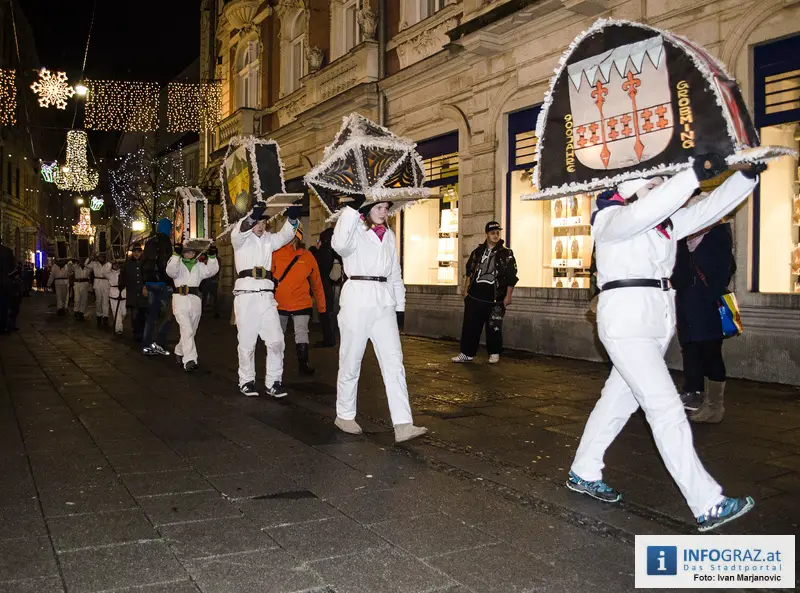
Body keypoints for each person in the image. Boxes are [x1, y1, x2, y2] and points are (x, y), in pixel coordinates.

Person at [566, 155, 763, 532]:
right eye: (651, 181)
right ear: (629, 186)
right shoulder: (611, 217)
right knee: (666, 408)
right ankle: (708, 503)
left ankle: (583, 470)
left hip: (653, 319)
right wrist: (692, 174)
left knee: (616, 402)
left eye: (661, 180)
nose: (660, 184)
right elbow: (649, 211)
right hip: (626, 320)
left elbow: (706, 209)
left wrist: (744, 178)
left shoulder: (662, 222)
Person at [331, 198, 427, 443]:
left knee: (394, 361)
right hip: (357, 298)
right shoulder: (354, 230)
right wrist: (352, 209)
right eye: (379, 208)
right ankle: (344, 414)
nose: (384, 212)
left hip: (384, 301)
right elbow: (339, 245)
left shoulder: (390, 235)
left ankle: (403, 423)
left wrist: (400, 305)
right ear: (366, 210)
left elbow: (395, 271)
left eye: (386, 209)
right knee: (351, 359)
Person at [673, 205, 735, 424]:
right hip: (687, 302)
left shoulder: (718, 233)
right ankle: (696, 394)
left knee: (711, 352)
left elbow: (726, 268)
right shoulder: (685, 237)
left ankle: (715, 406)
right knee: (690, 348)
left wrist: (709, 293)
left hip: (707, 304)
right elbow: (677, 269)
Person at [232, 202, 301, 397]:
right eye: (257, 222)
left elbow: (286, 235)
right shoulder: (240, 239)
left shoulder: (269, 240)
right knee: (247, 342)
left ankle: (274, 382)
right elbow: (241, 230)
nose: (261, 226)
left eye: (263, 222)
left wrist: (293, 219)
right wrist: (252, 216)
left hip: (267, 296)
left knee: (276, 340)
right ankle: (246, 381)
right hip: (246, 297)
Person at [452, 221, 519, 364]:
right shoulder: (478, 252)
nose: (495, 235)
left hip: (495, 297)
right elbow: (469, 272)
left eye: (497, 233)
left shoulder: (506, 254)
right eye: (492, 233)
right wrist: (466, 291)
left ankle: (494, 352)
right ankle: (467, 353)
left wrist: (508, 296)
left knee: (494, 326)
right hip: (475, 295)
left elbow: (511, 277)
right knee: (470, 325)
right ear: (487, 234)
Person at [273, 226, 327, 376]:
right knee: (278, 335)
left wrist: (322, 307)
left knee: (302, 332)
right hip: (280, 302)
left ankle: (303, 364)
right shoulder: (276, 253)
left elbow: (317, 283)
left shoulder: (308, 256)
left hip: (301, 302)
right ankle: (276, 365)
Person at [166, 242, 219, 371]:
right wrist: (175, 255)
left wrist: (212, 257)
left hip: (195, 300)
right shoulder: (177, 263)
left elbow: (211, 271)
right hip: (180, 299)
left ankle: (179, 350)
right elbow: (171, 272)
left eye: (191, 252)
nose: (189, 254)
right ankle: (190, 360)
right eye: (186, 251)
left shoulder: (200, 266)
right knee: (187, 329)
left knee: (191, 331)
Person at [141, 218, 175, 356]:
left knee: (152, 316)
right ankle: (159, 342)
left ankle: (147, 344)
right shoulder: (165, 242)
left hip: (150, 284)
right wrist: (170, 281)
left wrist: (145, 283)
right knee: (169, 315)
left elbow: (143, 264)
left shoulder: (149, 242)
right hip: (162, 283)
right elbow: (165, 263)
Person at [314, 227, 341, 347]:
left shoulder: (323, 252)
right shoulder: (334, 252)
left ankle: (329, 339)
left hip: (323, 286)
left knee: (324, 313)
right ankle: (330, 337)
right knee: (330, 312)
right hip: (331, 286)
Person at [119, 245, 148, 341]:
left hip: (143, 292)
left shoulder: (145, 263)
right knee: (135, 314)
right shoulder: (128, 264)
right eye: (135, 251)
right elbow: (122, 276)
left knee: (143, 314)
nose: (136, 253)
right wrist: (121, 284)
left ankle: (143, 332)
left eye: (138, 251)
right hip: (133, 292)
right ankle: (137, 332)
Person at [87, 253, 112, 328]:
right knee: (98, 301)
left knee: (105, 302)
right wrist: (90, 258)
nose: (101, 258)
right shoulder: (94, 263)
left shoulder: (109, 264)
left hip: (106, 283)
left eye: (103, 256)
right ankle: (99, 316)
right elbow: (86, 264)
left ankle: (105, 318)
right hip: (97, 283)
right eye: (100, 256)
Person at [107, 261, 127, 335]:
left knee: (124, 312)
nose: (116, 266)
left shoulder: (123, 273)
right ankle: (118, 328)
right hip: (114, 294)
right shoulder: (109, 274)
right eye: (114, 264)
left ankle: (118, 323)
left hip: (123, 293)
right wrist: (110, 262)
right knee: (116, 312)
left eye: (117, 264)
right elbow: (104, 271)